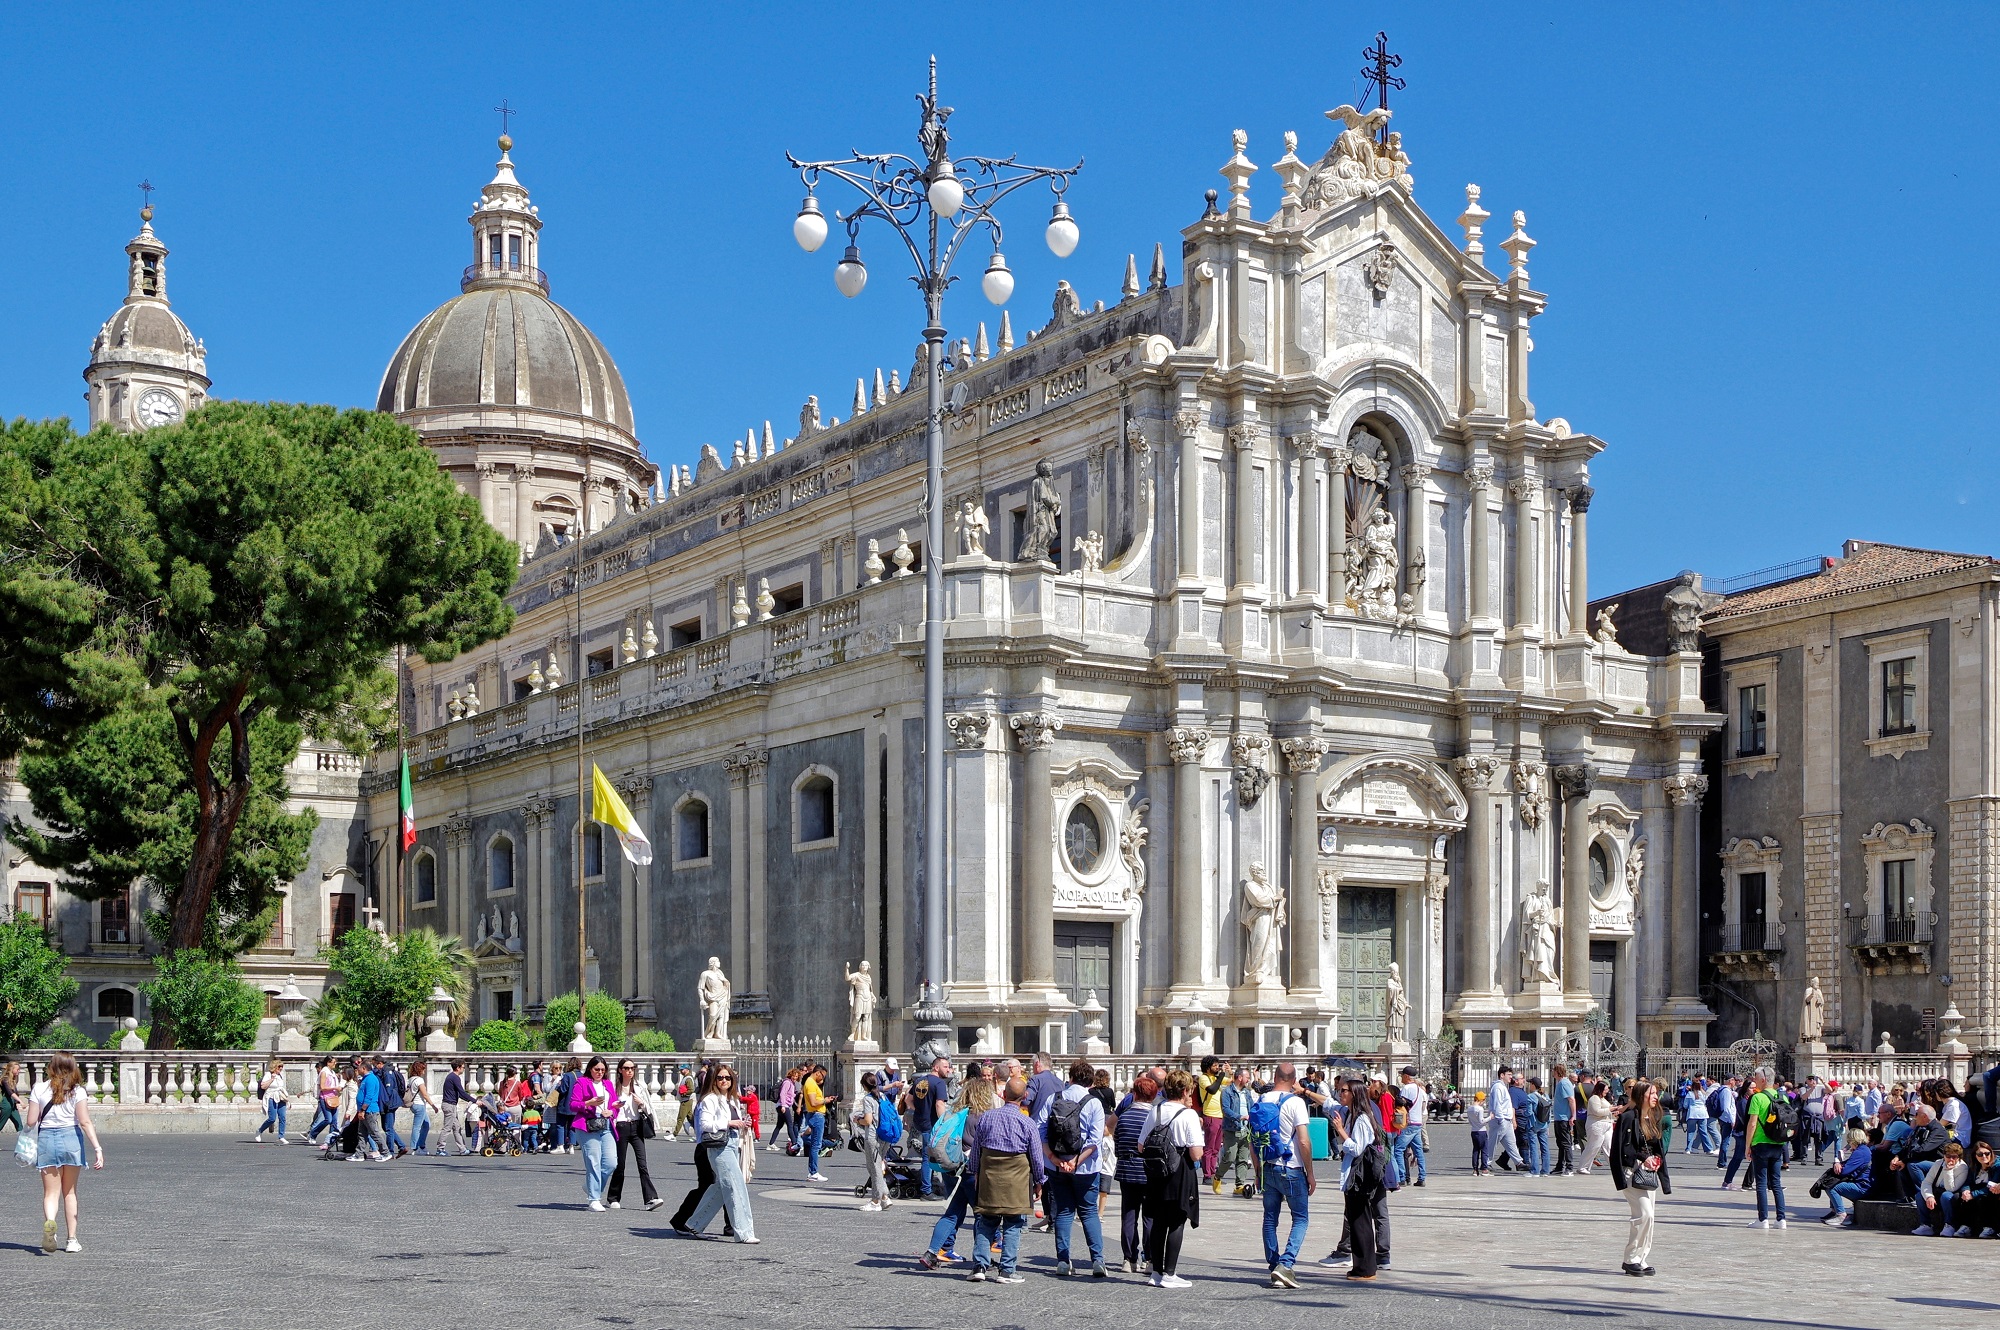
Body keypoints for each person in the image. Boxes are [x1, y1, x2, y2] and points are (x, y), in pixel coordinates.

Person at [964, 1075, 1046, 1283]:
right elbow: (1036, 1157)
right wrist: (1039, 1181)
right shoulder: (1027, 1123)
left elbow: (976, 1151)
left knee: (986, 1221)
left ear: (1003, 1094)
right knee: (1013, 1222)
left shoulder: (986, 1118)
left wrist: (974, 1173)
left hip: (990, 1175)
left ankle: (979, 1266)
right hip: (1016, 1180)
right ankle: (1007, 1269)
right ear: (1025, 1096)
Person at [25, 1054, 105, 1254]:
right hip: (71, 1138)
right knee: (70, 1192)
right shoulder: (77, 1091)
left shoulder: (39, 1089)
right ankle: (72, 1240)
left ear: (51, 1067)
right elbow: (85, 1122)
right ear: (73, 1068)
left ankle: (50, 1222)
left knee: (50, 1193)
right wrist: (97, 1148)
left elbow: (31, 1121)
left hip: (47, 1141)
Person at [921, 1070, 996, 1269]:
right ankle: (982, 1258)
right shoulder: (983, 1117)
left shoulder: (959, 1113)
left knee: (953, 1213)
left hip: (957, 1170)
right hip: (974, 1173)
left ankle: (931, 1252)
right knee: (981, 1215)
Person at [1043, 1058, 1108, 1278]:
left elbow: (1040, 1131)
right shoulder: (1093, 1103)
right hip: (1086, 1167)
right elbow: (1094, 1140)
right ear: (1090, 1081)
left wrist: (1054, 1159)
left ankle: (1063, 1261)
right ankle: (1098, 1261)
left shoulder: (1054, 1098)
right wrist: (1076, 1162)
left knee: (1063, 1211)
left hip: (1056, 1165)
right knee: (1089, 1212)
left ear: (1070, 1078)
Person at [1140, 1069, 1204, 1290]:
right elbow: (1196, 1154)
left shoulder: (1155, 1110)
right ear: (1185, 1090)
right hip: (1179, 1172)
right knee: (1176, 1221)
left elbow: (1141, 1145)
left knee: (1158, 1222)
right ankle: (1170, 1273)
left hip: (1156, 1172)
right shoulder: (1188, 1115)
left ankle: (1156, 1272)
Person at [1255, 1061, 1316, 1289]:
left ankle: (1274, 1265)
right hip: (1291, 1166)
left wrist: (1258, 1169)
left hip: (1268, 1166)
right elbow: (1303, 1140)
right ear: (1294, 1080)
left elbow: (1254, 1140)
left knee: (1270, 1218)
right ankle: (1286, 1264)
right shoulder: (1296, 1102)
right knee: (1300, 1218)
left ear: (1274, 1075)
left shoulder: (1260, 1100)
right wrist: (1310, 1172)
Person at [683, 1065, 759, 1242]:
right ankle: (743, 1232)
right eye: (720, 1078)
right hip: (718, 1146)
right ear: (714, 1080)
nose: (724, 1081)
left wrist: (742, 1123)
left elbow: (733, 1122)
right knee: (735, 1186)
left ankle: (695, 1223)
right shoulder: (710, 1099)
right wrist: (730, 1122)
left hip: (732, 1144)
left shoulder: (731, 1099)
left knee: (721, 1187)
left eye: (728, 1078)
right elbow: (705, 1125)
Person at [1610, 1079, 1670, 1275]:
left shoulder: (1651, 1117)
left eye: (1655, 1094)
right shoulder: (1628, 1117)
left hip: (1648, 1174)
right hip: (1631, 1173)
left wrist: (1656, 1159)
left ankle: (1641, 1258)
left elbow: (1656, 1146)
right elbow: (1621, 1148)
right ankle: (1630, 1258)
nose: (1655, 1097)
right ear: (1641, 1096)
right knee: (1644, 1214)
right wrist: (1644, 1158)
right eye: (1651, 1094)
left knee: (1650, 1218)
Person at [1332, 1078, 1387, 1281]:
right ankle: (1360, 1265)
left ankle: (1366, 1268)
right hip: (1353, 1175)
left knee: (1361, 1221)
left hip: (1360, 1176)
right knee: (1356, 1221)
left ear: (1354, 1093)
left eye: (1344, 1090)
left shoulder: (1363, 1118)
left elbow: (1356, 1148)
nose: (1341, 1093)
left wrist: (1341, 1131)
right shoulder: (1352, 1116)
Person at [1111, 1074, 1157, 1273]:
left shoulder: (1125, 1116)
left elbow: (1117, 1144)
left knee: (1129, 1215)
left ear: (1135, 1094)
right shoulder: (1156, 1117)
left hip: (1127, 1169)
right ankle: (1150, 1259)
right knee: (1150, 1215)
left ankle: (1129, 1259)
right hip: (1150, 1170)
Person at [607, 1058, 663, 1211]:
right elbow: (608, 1107)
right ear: (620, 1070)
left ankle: (650, 1199)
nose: (630, 1071)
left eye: (632, 1068)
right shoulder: (613, 1087)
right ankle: (613, 1197)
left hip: (637, 1126)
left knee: (642, 1164)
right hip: (621, 1126)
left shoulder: (639, 1086)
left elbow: (649, 1109)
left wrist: (642, 1104)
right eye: (626, 1068)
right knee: (620, 1164)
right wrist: (614, 1106)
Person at [569, 1054, 618, 1211]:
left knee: (611, 1162)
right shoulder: (581, 1082)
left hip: (605, 1125)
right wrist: (588, 1103)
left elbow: (613, 1106)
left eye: (603, 1070)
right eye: (597, 1069)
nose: (600, 1072)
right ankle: (594, 1199)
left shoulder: (608, 1084)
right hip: (587, 1125)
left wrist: (612, 1111)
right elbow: (573, 1104)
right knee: (593, 1161)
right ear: (590, 1069)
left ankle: (590, 1186)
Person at [1743, 1066, 1789, 1228]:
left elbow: (1752, 1123)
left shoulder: (1758, 1098)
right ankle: (1781, 1219)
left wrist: (1747, 1146)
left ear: (1763, 1080)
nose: (1754, 1081)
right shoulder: (1783, 1097)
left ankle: (1763, 1219)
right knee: (1776, 1182)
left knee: (1761, 1183)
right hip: (1777, 1143)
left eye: (1755, 1078)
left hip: (1761, 1143)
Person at [907, 1055, 953, 1199]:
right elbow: (939, 1104)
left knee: (930, 1156)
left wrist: (918, 1110)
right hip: (932, 1124)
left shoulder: (920, 1080)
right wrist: (945, 1123)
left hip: (921, 1122)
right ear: (936, 1067)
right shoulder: (939, 1083)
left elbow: (908, 1099)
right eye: (945, 1067)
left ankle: (932, 1185)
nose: (948, 1070)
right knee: (930, 1157)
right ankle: (926, 1190)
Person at [1819, 1120, 1874, 1225]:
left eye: (1849, 1141)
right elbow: (1849, 1164)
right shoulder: (1863, 1150)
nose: (1849, 1144)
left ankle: (1841, 1214)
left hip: (1862, 1187)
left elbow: (1844, 1171)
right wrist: (1839, 1163)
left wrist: (1838, 1164)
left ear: (1853, 1141)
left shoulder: (1860, 1152)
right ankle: (1835, 1211)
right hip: (1865, 1184)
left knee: (1831, 1186)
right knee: (1833, 1183)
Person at [854, 1070, 894, 1212]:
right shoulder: (882, 1096)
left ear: (864, 1086)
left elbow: (868, 1120)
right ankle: (884, 1197)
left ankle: (876, 1200)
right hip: (885, 1137)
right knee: (875, 1167)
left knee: (874, 1168)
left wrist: (857, 1119)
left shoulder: (868, 1099)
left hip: (873, 1136)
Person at [1914, 1141, 1970, 1236]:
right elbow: (1927, 1182)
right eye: (1948, 1156)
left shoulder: (1963, 1167)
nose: (1950, 1159)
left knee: (1946, 1195)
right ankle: (1926, 1225)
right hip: (1937, 1190)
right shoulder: (1938, 1163)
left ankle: (1949, 1225)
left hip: (1952, 1194)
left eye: (1954, 1157)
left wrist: (1949, 1170)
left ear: (1959, 1157)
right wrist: (1929, 1196)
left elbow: (1951, 1188)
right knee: (1920, 1195)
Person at [1218, 1067, 1257, 1197]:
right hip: (1232, 1128)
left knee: (1243, 1159)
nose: (1248, 1080)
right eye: (1247, 1077)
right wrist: (1239, 1117)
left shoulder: (1247, 1092)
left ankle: (1239, 1185)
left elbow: (1252, 1107)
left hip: (1246, 1129)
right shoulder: (1227, 1092)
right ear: (1240, 1077)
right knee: (1230, 1156)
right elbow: (1226, 1110)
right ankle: (1218, 1176)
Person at [1196, 1055, 1229, 1188]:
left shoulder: (1216, 1078)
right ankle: (1207, 1175)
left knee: (1216, 1148)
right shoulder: (1204, 1078)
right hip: (1210, 1115)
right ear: (1208, 1067)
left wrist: (1229, 1071)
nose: (1217, 1067)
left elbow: (1231, 1081)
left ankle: (1214, 1173)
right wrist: (1221, 1077)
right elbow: (1212, 1089)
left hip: (1220, 1115)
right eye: (1215, 1065)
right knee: (1209, 1147)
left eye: (1218, 1065)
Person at [799, 1063, 834, 1182]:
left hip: (815, 1114)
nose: (823, 1079)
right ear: (817, 1073)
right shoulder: (810, 1083)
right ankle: (813, 1172)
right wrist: (825, 1100)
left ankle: (813, 1171)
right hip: (816, 1115)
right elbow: (814, 1102)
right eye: (822, 1076)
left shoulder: (810, 1083)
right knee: (816, 1145)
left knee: (815, 1144)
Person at [1395, 1066, 1428, 1187]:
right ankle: (1422, 1177)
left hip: (1408, 1124)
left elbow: (1401, 1106)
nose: (1401, 1078)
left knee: (1398, 1150)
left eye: (1402, 1075)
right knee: (1418, 1151)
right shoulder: (1420, 1089)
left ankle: (1401, 1177)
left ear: (1406, 1076)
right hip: (1418, 1122)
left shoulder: (1407, 1088)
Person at [354, 1056, 388, 1161]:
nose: (357, 1070)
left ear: (364, 1068)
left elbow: (369, 1096)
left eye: (359, 1068)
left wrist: (363, 1110)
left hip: (369, 1110)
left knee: (374, 1132)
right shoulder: (365, 1079)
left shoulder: (371, 1079)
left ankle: (385, 1152)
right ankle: (359, 1154)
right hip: (364, 1110)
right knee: (361, 1133)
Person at [1580, 1080, 1616, 1175]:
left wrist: (1615, 1111)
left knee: (1609, 1147)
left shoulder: (1603, 1099)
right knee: (1593, 1146)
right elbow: (1597, 1112)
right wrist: (1610, 1109)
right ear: (1600, 1089)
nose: (1607, 1091)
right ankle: (1583, 1166)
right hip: (1597, 1124)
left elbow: (1606, 1111)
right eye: (1605, 1089)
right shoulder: (1594, 1098)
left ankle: (1615, 1166)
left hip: (1607, 1124)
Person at [375, 1056, 409, 1158]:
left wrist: (384, 1101)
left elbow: (388, 1090)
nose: (375, 1067)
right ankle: (401, 1146)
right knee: (386, 1127)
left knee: (388, 1128)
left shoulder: (387, 1072)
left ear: (380, 1063)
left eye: (375, 1064)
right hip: (393, 1101)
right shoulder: (390, 1070)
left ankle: (390, 1151)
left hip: (390, 1103)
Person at [440, 1059, 475, 1156]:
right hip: (450, 1105)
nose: (464, 1069)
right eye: (463, 1067)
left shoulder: (451, 1077)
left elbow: (459, 1094)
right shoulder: (455, 1077)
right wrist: (475, 1101)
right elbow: (462, 1092)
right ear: (458, 1067)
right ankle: (440, 1148)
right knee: (447, 1128)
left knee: (457, 1127)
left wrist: (471, 1100)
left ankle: (462, 1149)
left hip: (450, 1105)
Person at [305, 1056, 341, 1144]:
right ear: (328, 1063)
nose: (335, 1064)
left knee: (334, 1120)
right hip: (325, 1098)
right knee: (328, 1119)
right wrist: (335, 1087)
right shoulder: (324, 1072)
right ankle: (313, 1133)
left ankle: (332, 1139)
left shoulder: (332, 1072)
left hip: (334, 1098)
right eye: (333, 1062)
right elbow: (323, 1087)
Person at [254, 1058, 289, 1144]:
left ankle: (281, 1136)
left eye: (282, 1067)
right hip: (271, 1096)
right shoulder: (268, 1074)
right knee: (272, 1118)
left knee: (282, 1117)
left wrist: (287, 1099)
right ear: (274, 1066)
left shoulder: (280, 1076)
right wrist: (271, 1079)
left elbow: (281, 1087)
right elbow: (263, 1086)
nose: (281, 1068)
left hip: (280, 1097)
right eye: (279, 1066)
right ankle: (259, 1131)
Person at [405, 1060, 436, 1156]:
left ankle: (421, 1144)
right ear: (419, 1070)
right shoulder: (419, 1080)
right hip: (419, 1104)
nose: (424, 1071)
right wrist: (433, 1105)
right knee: (417, 1127)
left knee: (426, 1124)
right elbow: (425, 1095)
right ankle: (415, 1147)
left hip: (414, 1104)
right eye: (423, 1069)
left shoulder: (410, 1079)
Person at [1549, 1064, 1575, 1175]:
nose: (1552, 1073)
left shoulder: (1564, 1083)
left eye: (1554, 1071)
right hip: (1559, 1117)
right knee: (1560, 1143)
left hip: (1564, 1118)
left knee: (1565, 1143)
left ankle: (1569, 1167)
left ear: (1558, 1072)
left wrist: (1573, 1115)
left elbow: (1571, 1100)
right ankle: (1560, 1165)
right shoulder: (1560, 1083)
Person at [768, 1065, 799, 1152]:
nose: (795, 1078)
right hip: (783, 1106)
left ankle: (771, 1143)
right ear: (790, 1075)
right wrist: (783, 1105)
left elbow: (790, 1095)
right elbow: (783, 1094)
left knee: (779, 1125)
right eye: (794, 1076)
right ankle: (794, 1143)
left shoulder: (792, 1083)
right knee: (790, 1124)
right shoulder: (787, 1082)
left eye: (796, 1076)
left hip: (784, 1105)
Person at [1467, 1091, 1492, 1176]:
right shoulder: (1480, 1109)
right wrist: (1490, 1118)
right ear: (1481, 1100)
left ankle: (1475, 1169)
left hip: (1473, 1131)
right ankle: (1484, 1169)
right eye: (1484, 1100)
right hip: (1481, 1131)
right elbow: (1482, 1121)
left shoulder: (1469, 1108)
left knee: (1476, 1150)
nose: (1484, 1102)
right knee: (1484, 1150)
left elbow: (1470, 1121)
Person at [0, 1062, 23, 1140]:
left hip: (12, 1105)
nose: (19, 1071)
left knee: (19, 1125)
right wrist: (21, 1101)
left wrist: (17, 1102)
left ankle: (23, 1145)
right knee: (1, 1124)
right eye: (17, 1069)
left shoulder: (13, 1080)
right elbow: (10, 1093)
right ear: (12, 1069)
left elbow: (15, 1092)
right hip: (6, 1105)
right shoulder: (5, 1079)